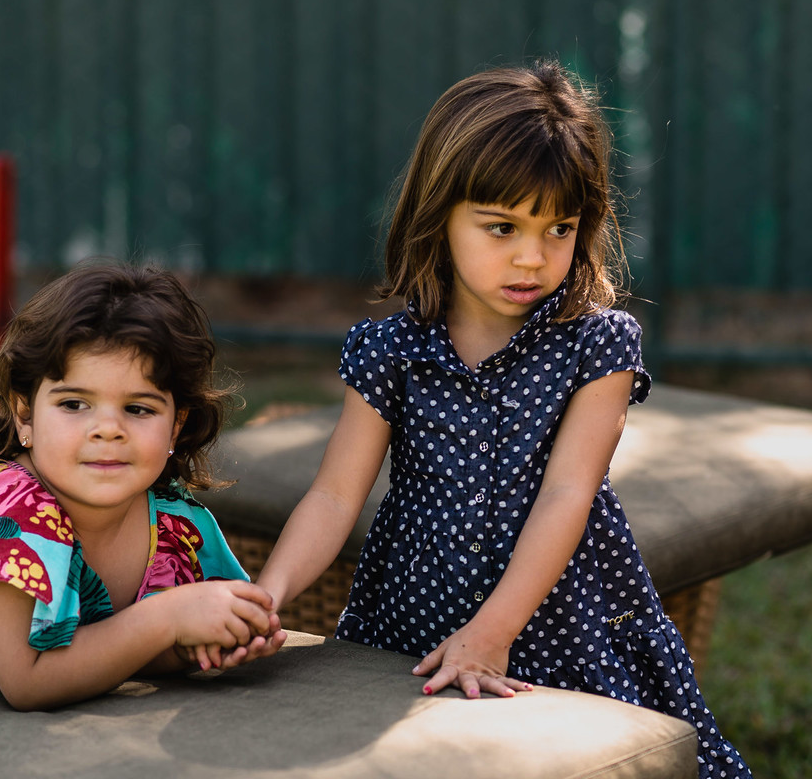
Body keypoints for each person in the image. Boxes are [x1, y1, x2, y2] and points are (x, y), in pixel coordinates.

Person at [256, 61, 751, 777]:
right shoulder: (393, 350)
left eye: (559, 229)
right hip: (413, 614)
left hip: (558, 623)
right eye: (502, 227)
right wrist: (268, 597)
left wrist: (493, 631)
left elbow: (567, 494)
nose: (532, 257)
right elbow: (335, 496)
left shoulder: (597, 345)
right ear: (440, 216)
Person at [0, 262, 286, 711]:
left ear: (176, 426)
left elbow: (117, 648)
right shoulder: (8, 512)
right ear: (25, 415)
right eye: (75, 404)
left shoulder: (174, 526)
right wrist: (168, 618)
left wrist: (192, 643)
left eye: (138, 409)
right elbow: (27, 681)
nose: (108, 430)